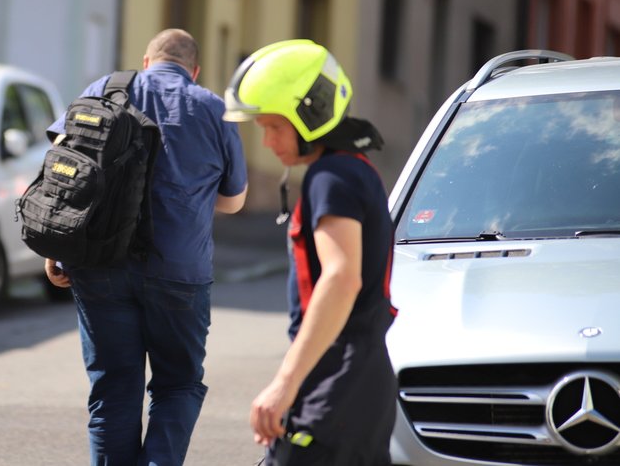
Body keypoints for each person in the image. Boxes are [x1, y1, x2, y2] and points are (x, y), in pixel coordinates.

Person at [44, 28, 248, 465]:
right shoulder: (213, 107)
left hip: (99, 264)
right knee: (177, 386)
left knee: (113, 390)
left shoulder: (105, 89)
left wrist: (57, 248)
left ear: (147, 59)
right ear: (194, 71)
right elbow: (233, 201)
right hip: (179, 272)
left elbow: (63, 173)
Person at [222, 39, 396, 465]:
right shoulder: (350, 169)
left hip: (339, 383)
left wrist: (284, 384)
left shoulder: (331, 177)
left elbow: (341, 277)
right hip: (355, 381)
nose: (266, 142)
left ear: (311, 113)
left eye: (274, 127)